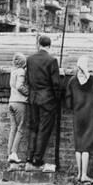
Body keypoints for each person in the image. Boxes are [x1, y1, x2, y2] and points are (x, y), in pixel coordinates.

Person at [64, 55, 93, 183]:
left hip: (77, 115)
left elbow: (68, 102)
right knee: (86, 146)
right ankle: (84, 175)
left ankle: (78, 174)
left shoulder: (72, 81)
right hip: (90, 115)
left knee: (79, 145)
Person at [26, 35, 61, 167]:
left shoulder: (30, 59)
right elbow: (56, 84)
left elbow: (28, 80)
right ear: (49, 46)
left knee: (33, 127)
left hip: (33, 98)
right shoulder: (52, 61)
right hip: (47, 100)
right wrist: (57, 99)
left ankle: (29, 155)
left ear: (39, 44)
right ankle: (37, 158)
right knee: (44, 129)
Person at [7, 52, 29, 163]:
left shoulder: (13, 71)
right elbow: (19, 86)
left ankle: (9, 153)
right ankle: (14, 153)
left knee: (13, 128)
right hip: (19, 102)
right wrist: (28, 93)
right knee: (21, 128)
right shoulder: (21, 72)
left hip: (11, 101)